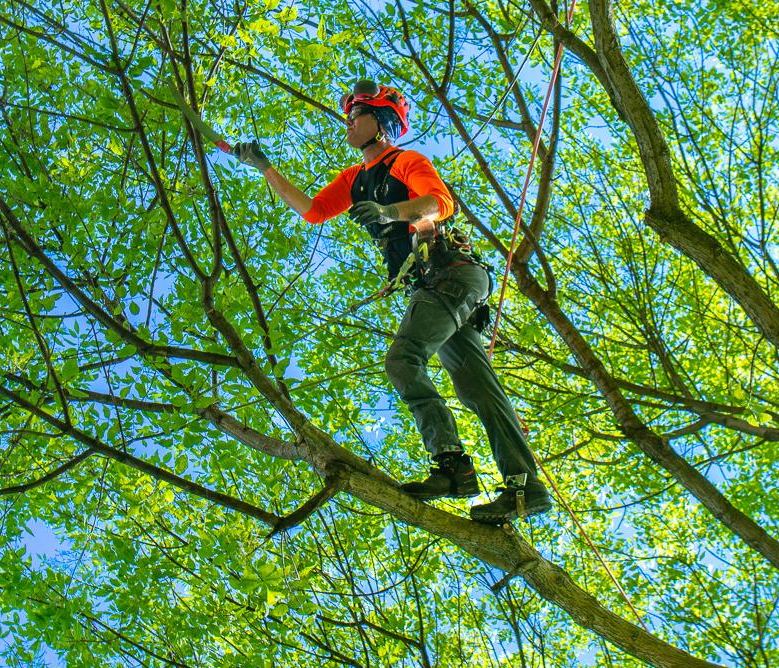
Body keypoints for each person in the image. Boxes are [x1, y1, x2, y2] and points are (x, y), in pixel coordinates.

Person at [232, 80, 550, 523]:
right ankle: (525, 488)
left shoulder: (406, 161)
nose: (349, 123)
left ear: (381, 123)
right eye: (350, 115)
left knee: (403, 359)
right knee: (478, 389)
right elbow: (314, 210)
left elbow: (440, 203)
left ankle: (452, 465)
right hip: (438, 290)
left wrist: (390, 213)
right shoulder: (355, 179)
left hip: (450, 276)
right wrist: (265, 168)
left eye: (357, 115)